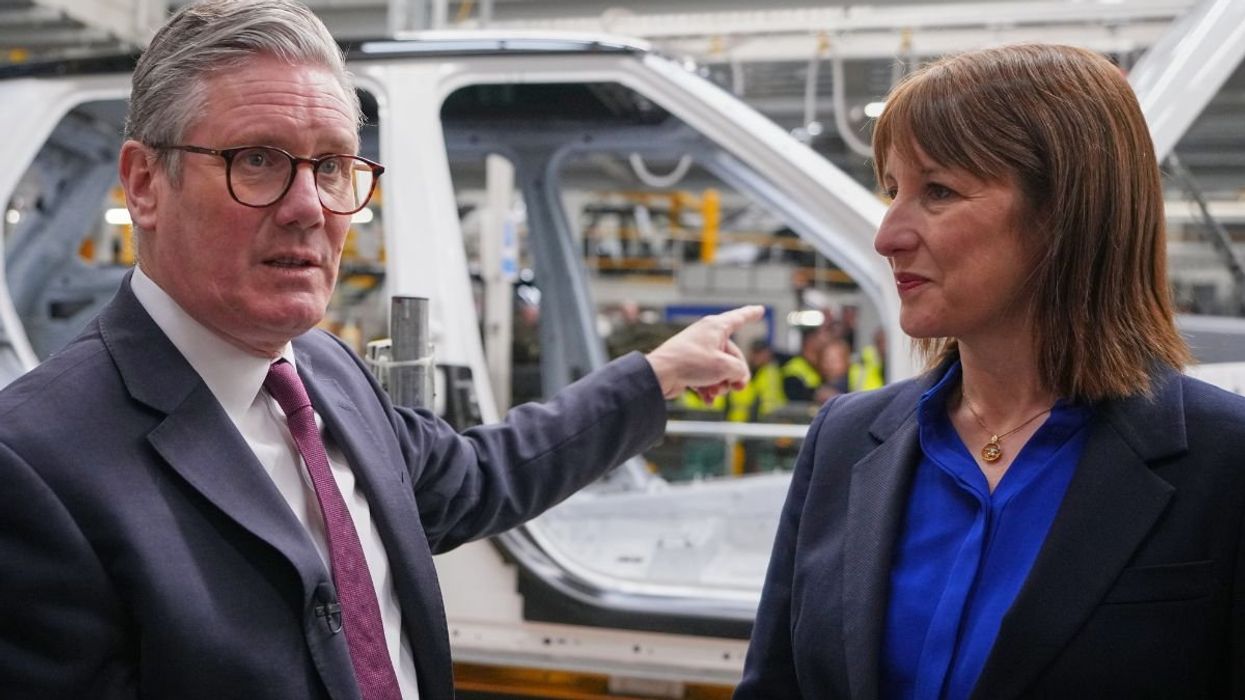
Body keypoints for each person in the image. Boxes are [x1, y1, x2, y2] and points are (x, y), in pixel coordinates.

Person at [0, 2, 762, 698]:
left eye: (332, 167)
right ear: (143, 185)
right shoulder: (34, 465)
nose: (309, 209)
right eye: (256, 160)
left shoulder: (325, 373)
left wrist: (654, 377)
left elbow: (472, 477)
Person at [736, 43, 1245, 698]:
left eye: (937, 191)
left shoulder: (1223, 462)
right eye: (892, 190)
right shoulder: (844, 439)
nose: (887, 234)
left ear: (1066, 212)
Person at [781, 325, 828, 402]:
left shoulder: (815, 367)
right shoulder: (794, 367)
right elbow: (794, 395)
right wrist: (816, 394)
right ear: (808, 344)